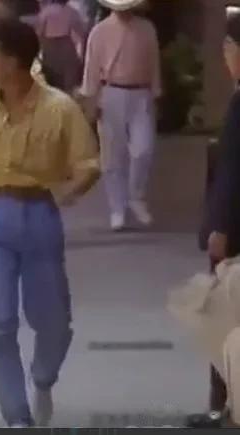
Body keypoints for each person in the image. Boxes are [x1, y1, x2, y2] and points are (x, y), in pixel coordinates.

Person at [0, 18, 99, 427]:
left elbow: (89, 164)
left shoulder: (59, 108)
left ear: (15, 61)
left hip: (38, 215)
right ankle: (17, 416)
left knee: (53, 321)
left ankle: (43, 377)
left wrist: (65, 193)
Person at [186, 11, 240, 429]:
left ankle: (224, 404)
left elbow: (233, 172)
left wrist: (219, 226)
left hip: (235, 229)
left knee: (225, 319)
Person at [80, 0, 160, 232]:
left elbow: (154, 62)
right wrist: (91, 98)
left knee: (143, 149)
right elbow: (91, 68)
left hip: (140, 92)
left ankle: (136, 196)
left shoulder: (146, 28)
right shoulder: (100, 31)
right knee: (112, 154)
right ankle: (117, 208)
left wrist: (156, 91)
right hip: (111, 92)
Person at [36, 0, 85, 94]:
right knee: (67, 77)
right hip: (65, 44)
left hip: (49, 45)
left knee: (50, 75)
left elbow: (39, 32)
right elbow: (81, 31)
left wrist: (40, 46)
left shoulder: (46, 11)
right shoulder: (71, 11)